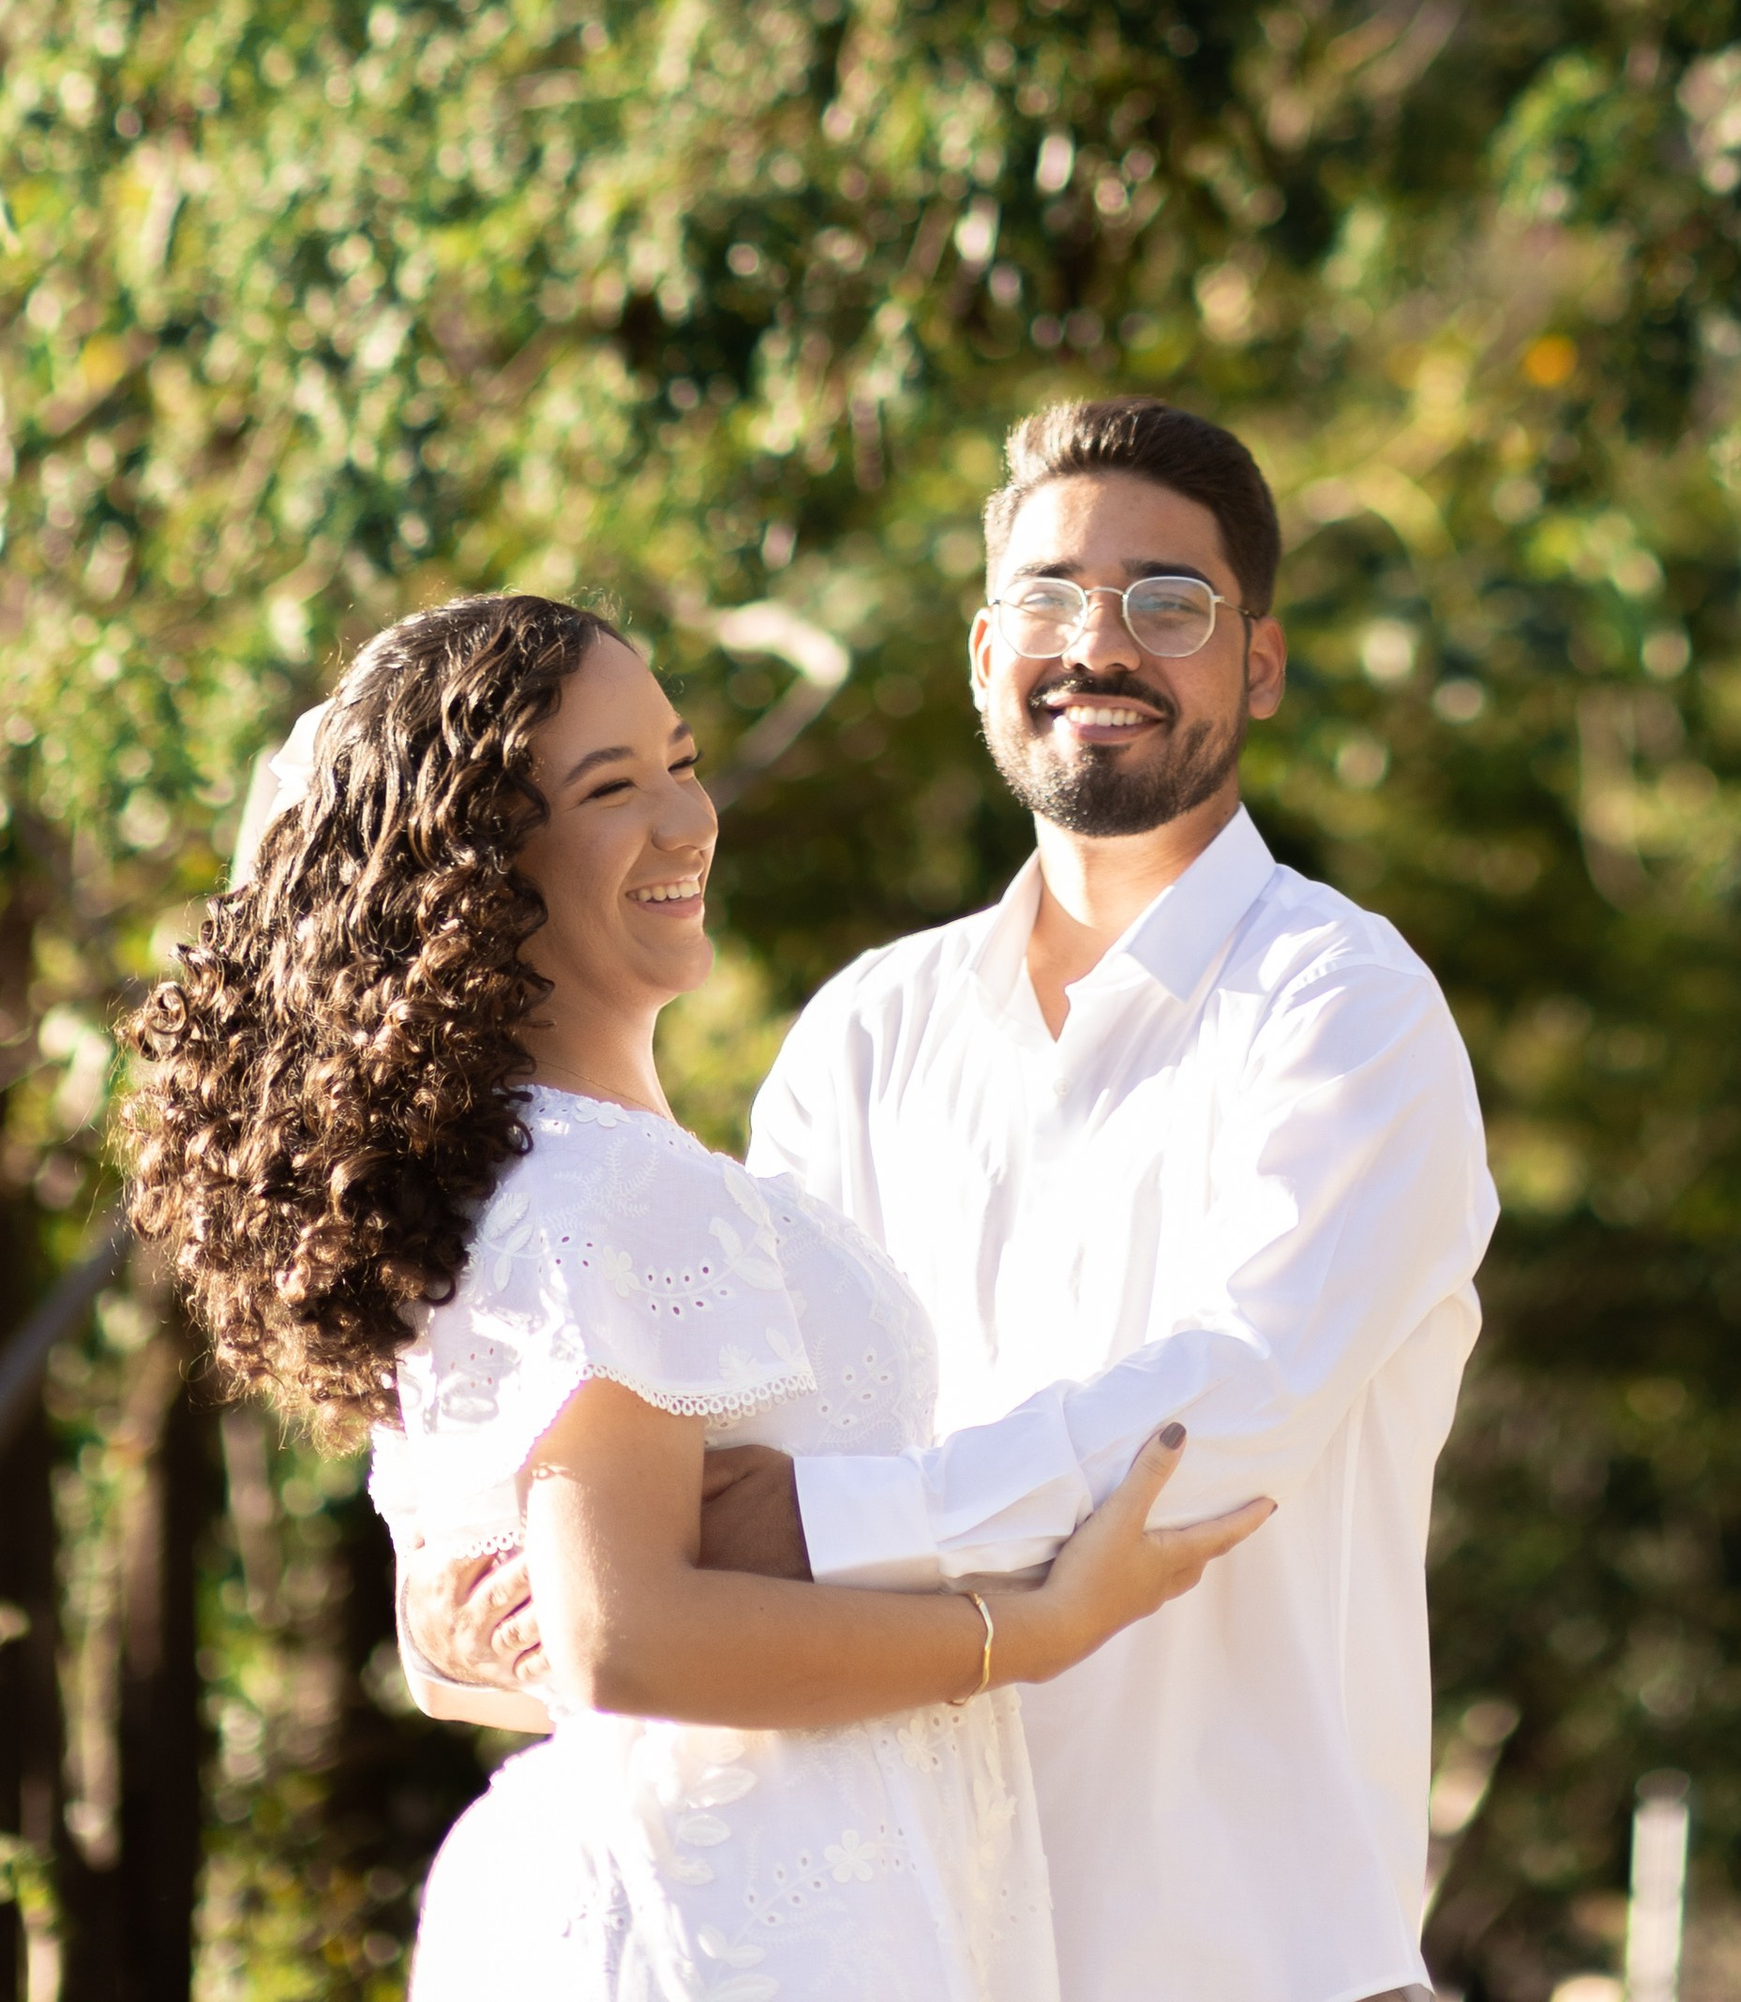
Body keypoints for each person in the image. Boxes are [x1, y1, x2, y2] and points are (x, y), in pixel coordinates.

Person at [426, 398, 1499, 2002]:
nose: (1101, 646)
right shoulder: (867, 1030)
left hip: (1251, 1961)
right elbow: (732, 1456)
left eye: (1170, 605)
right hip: (904, 1952)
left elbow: (1223, 1419)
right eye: (1055, 598)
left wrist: (817, 1529)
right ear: (986, 649)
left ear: (1257, 666)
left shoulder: (1345, 1008)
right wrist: (533, 1615)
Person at [124, 589, 1267, 2002]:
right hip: (732, 1926)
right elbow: (627, 1640)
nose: (685, 819)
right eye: (612, 787)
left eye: (679, 758)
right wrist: (1032, 1630)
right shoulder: (601, 1192)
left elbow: (488, 1645)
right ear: (484, 868)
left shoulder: (539, 1177)